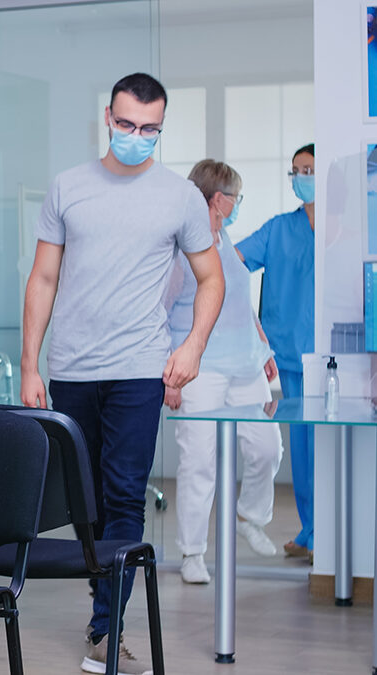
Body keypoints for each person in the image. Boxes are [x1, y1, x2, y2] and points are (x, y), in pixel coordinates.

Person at [20, 73, 224, 675]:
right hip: (71, 369)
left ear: (161, 127)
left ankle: (106, 629)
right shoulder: (69, 187)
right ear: (108, 117)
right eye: (128, 124)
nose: (137, 136)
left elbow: (211, 279)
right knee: (83, 501)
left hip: (139, 367)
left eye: (150, 129)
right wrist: (30, 364)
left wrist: (192, 347)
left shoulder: (179, 197)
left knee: (125, 495)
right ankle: (103, 595)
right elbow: (43, 279)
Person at [163, 160, 284, 584]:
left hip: (245, 365)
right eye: (236, 196)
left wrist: (263, 347)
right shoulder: (182, 248)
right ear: (218, 199)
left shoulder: (225, 238)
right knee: (199, 462)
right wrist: (170, 375)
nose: (237, 204)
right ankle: (192, 552)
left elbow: (238, 302)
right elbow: (161, 313)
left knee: (267, 447)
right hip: (200, 371)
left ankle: (250, 516)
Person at [235, 143, 316, 561]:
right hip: (289, 353)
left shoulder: (348, 227)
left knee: (330, 449)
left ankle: (330, 535)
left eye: (309, 170)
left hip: (335, 355)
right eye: (296, 171)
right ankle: (311, 532)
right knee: (301, 449)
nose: (301, 178)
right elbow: (231, 263)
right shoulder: (279, 229)